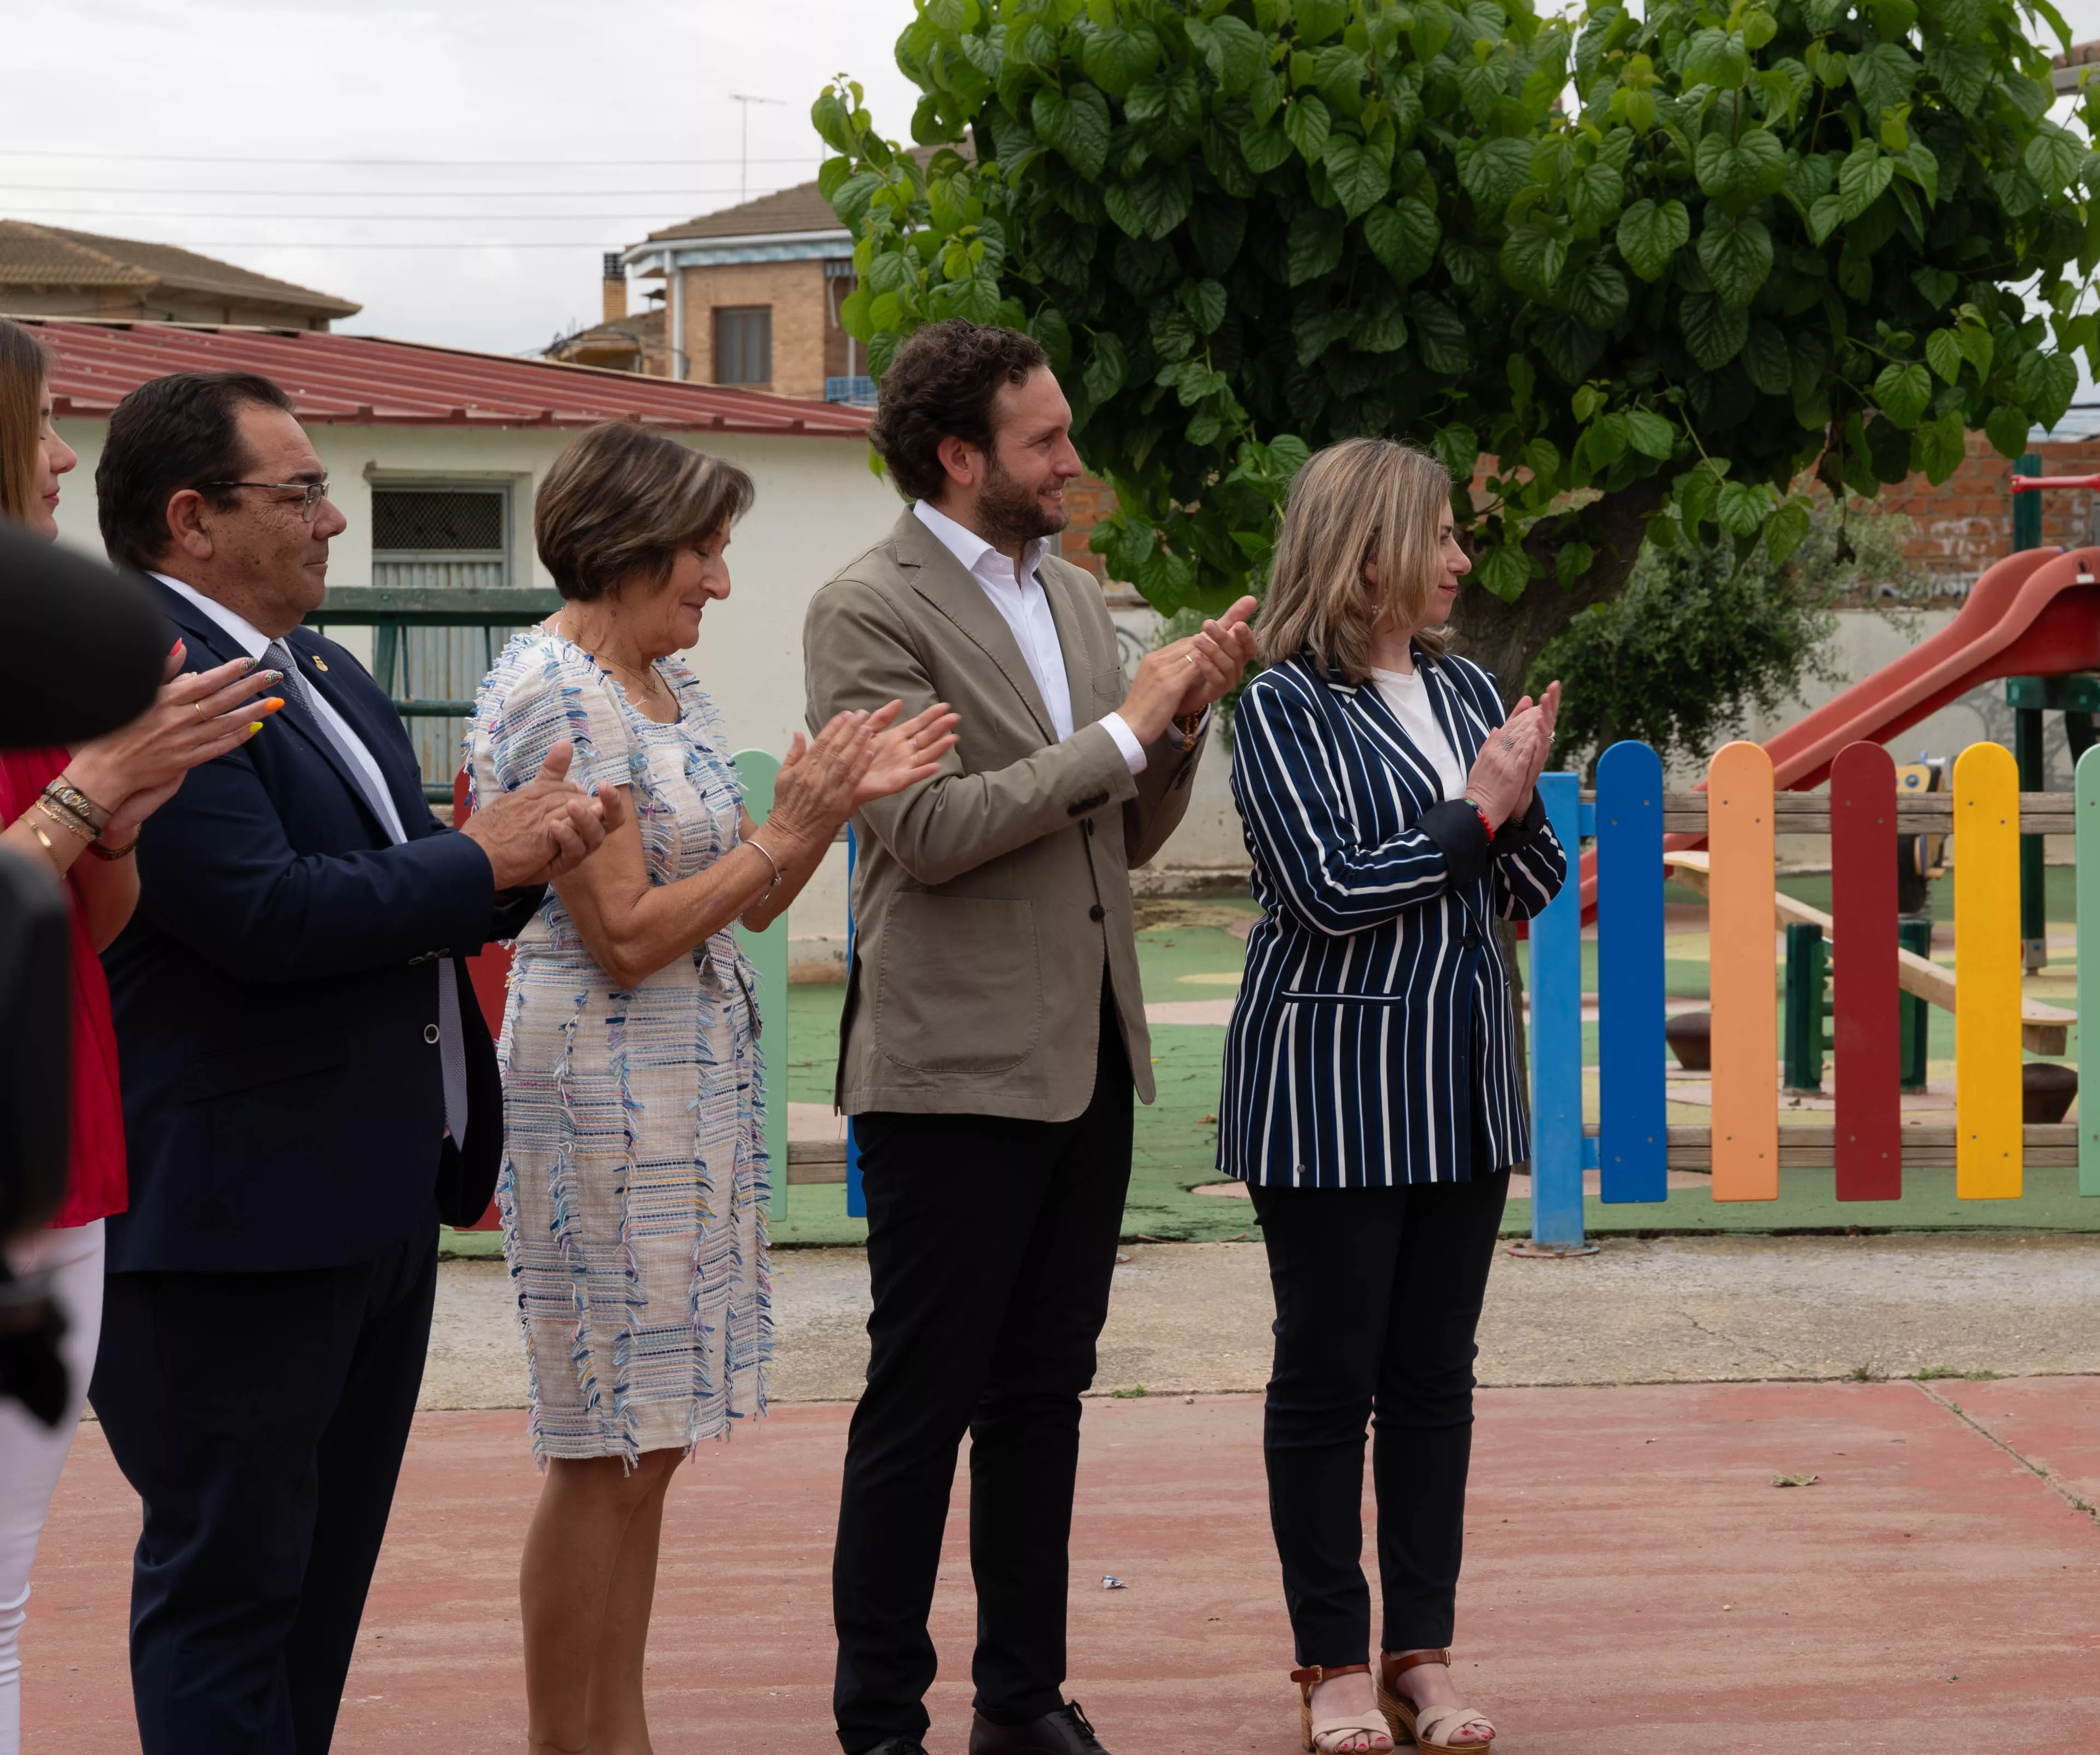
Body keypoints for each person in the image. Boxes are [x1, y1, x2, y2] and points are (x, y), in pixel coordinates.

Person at [90, 371, 613, 1754]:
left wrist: (521, 853)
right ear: (190, 519)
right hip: (235, 1222)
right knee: (231, 1594)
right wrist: (475, 858)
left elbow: (389, 886)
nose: (333, 519)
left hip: (366, 1196)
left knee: (315, 1598)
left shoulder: (314, 668)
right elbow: (262, 913)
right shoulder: (151, 678)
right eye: (300, 491)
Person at [470, 421, 955, 1755]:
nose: (722, 582)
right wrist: (786, 830)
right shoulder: (559, 694)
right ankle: (567, 1741)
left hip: (686, 1087)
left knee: (653, 1437)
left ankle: (618, 1732)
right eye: (707, 550)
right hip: (604, 1090)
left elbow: (741, 891)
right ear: (631, 543)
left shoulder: (664, 689)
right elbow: (625, 931)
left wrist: (826, 805)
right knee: (601, 1439)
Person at [804, 320, 1255, 1755]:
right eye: (1045, 440)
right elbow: (921, 834)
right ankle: (880, 1717)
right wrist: (1125, 729)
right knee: (921, 1403)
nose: (1074, 461)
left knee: (1042, 1398)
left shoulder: (1071, 603)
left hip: (1086, 1057)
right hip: (948, 1071)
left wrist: (1180, 729)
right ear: (958, 456)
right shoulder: (867, 609)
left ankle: (1023, 1701)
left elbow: (1114, 835)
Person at [1218, 438, 1570, 1755]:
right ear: (1367, 549)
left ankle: (1421, 1648)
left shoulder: (1468, 680)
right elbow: (1326, 889)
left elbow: (1526, 883)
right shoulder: (1283, 706)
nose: (1463, 561)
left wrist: (1515, 796)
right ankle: (1331, 1661)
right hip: (1330, 1090)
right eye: (1441, 536)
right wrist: (1478, 811)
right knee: (1326, 1378)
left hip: (1464, 1087)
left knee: (1435, 1375)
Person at [0, 323, 280, 1754]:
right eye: (40, 423)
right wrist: (82, 800)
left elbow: (81, 930)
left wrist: (117, 815)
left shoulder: (45, 641)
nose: (60, 456)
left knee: (3, 1594)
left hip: (65, 1161)